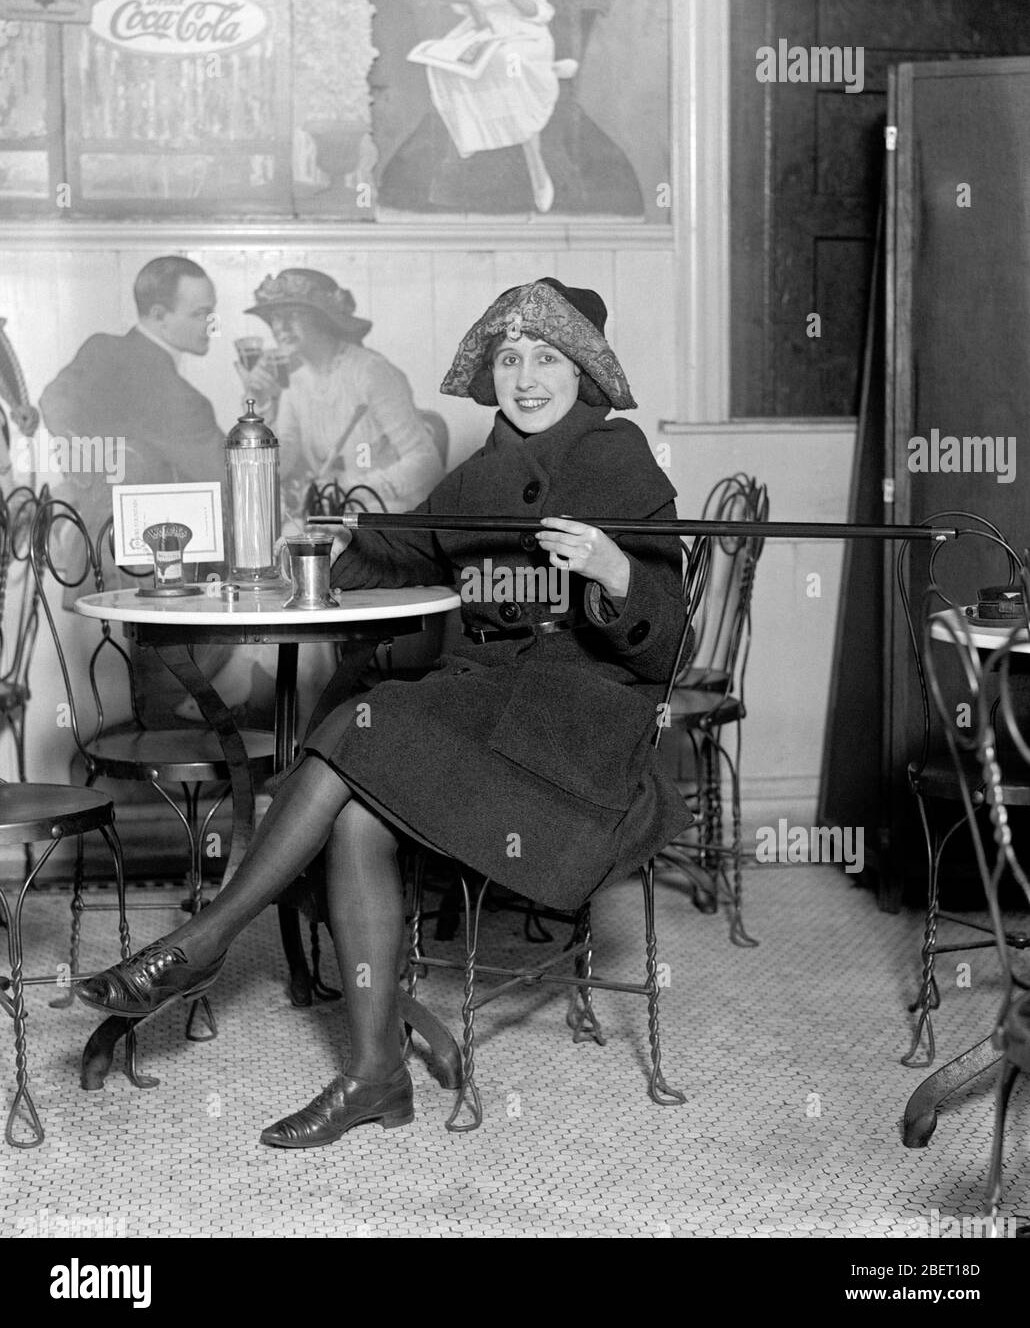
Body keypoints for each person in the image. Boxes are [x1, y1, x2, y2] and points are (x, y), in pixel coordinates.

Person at [75, 278, 693, 1149]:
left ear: (583, 371)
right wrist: (338, 539)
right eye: (510, 358)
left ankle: (205, 940)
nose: (524, 377)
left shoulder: (619, 458)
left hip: (575, 740)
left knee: (352, 737)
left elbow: (668, 647)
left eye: (546, 359)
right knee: (357, 812)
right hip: (481, 711)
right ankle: (375, 1078)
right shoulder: (480, 473)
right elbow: (401, 547)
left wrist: (615, 571)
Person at [236, 269, 444, 524]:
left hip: (389, 516)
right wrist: (258, 404)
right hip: (332, 517)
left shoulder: (370, 371)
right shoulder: (296, 382)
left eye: (292, 315)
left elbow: (426, 463)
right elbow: (280, 465)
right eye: (275, 319)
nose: (280, 328)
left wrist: (350, 492)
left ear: (323, 318)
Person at [38, 256, 225, 536]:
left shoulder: (100, 349)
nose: (212, 325)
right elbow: (233, 480)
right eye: (200, 314)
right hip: (151, 558)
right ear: (159, 315)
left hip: (88, 548)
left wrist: (85, 474)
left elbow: (52, 401)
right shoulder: (185, 403)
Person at [407, 0, 561, 212]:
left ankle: (536, 167)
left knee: (508, 63)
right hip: (479, 30)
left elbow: (539, 11)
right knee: (446, 66)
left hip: (522, 33)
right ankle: (473, 140)